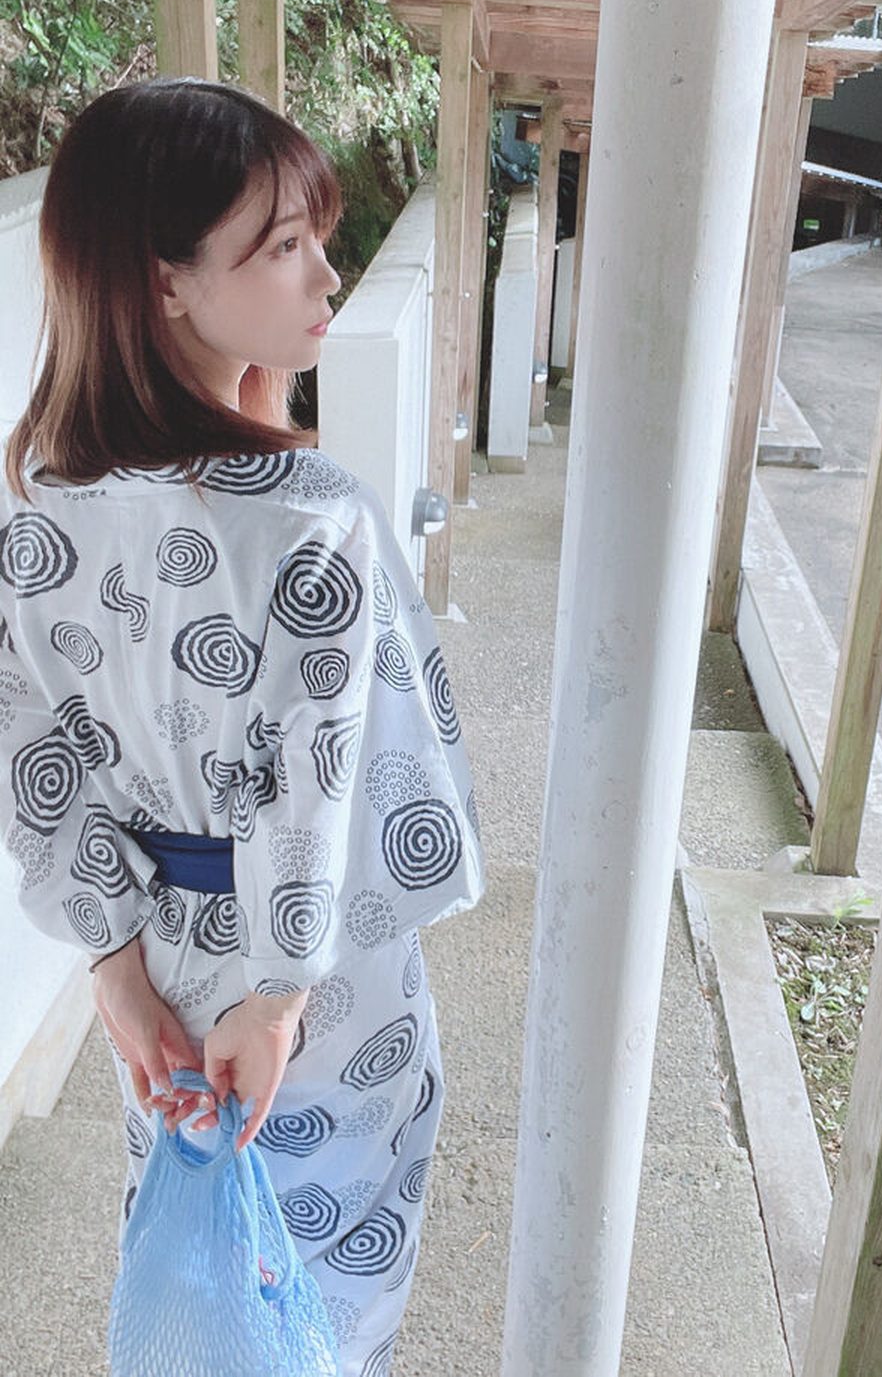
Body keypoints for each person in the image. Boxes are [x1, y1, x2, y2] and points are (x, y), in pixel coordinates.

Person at [0, 77, 484, 1377]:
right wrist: (273, 999)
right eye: (283, 245)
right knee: (327, 1288)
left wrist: (114, 968)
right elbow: (312, 780)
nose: (326, 271)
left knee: (201, 1262)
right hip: (315, 984)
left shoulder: (36, 505)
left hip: (162, 960)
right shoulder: (308, 515)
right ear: (163, 282)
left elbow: (32, 763)